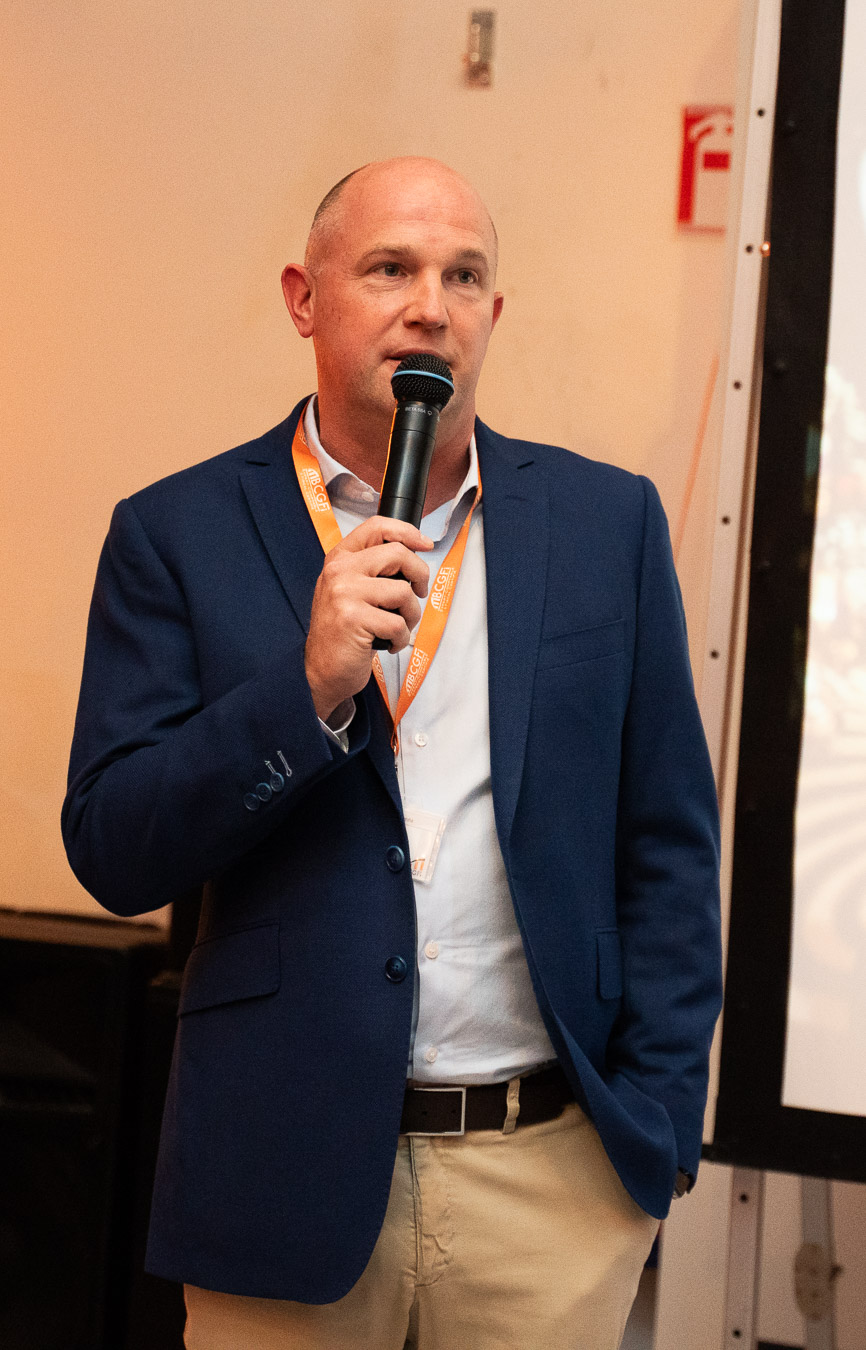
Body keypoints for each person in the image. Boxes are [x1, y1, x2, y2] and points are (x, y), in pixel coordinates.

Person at [62, 157, 723, 1349]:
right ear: (303, 298)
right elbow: (114, 848)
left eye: (463, 276)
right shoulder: (177, 533)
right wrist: (305, 688)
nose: (431, 306)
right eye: (389, 268)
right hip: (278, 1169)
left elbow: (667, 845)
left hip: (548, 1185)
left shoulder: (605, 525)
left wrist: (658, 1127)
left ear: (493, 313)